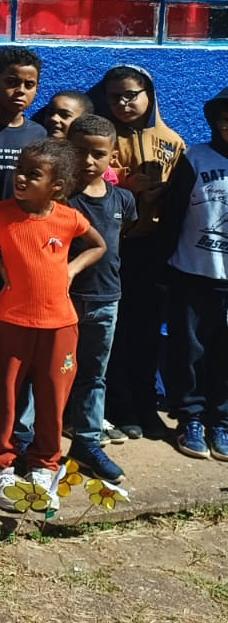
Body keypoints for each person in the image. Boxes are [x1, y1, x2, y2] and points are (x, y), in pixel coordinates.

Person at [0, 139, 106, 509]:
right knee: (4, 399)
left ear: (57, 186)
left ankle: (45, 465)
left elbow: (98, 245)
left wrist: (72, 269)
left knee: (52, 401)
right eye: (20, 170)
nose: (20, 177)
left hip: (61, 326)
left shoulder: (69, 218)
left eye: (33, 174)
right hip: (11, 323)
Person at [100, 64, 186, 440]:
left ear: (148, 95)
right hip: (115, 246)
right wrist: (128, 187)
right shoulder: (104, 137)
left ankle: (146, 405)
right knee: (115, 330)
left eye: (130, 95)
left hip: (155, 248)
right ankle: (120, 406)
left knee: (147, 329)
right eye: (115, 96)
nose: (123, 103)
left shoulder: (172, 141)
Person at [158, 85, 228, 461]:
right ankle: (191, 418)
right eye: (225, 118)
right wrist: (164, 265)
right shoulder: (195, 158)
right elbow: (173, 215)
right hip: (193, 271)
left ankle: (222, 420)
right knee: (189, 350)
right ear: (215, 121)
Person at [64, 114, 134, 483]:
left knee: (94, 375)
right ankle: (33, 443)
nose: (88, 161)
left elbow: (125, 235)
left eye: (98, 154)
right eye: (80, 152)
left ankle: (87, 442)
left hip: (107, 299)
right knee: (48, 374)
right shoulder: (59, 198)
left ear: (112, 156)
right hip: (63, 300)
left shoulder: (123, 199)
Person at [0, 45, 46, 206]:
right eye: (11, 82)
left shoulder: (39, 134)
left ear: (37, 88)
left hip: (21, 217)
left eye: (29, 85)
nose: (21, 91)